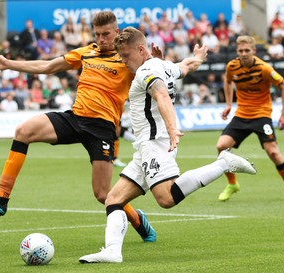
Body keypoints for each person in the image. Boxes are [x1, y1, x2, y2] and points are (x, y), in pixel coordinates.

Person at [0, 11, 160, 243]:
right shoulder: (87, 52)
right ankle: (1, 198)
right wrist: (8, 64)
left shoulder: (127, 59)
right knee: (23, 131)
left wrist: (157, 61)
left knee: (103, 194)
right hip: (75, 118)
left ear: (117, 32)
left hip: (101, 128)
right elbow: (48, 66)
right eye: (97, 34)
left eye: (106, 34)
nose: (101, 39)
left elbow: (156, 78)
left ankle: (138, 220)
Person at [78, 27, 256, 263]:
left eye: (126, 56)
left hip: (155, 143)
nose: (123, 61)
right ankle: (112, 251)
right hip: (144, 148)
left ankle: (223, 163)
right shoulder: (162, 65)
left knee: (166, 198)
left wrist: (172, 129)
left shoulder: (146, 71)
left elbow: (161, 95)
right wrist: (198, 58)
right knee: (114, 199)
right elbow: (185, 67)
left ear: (141, 49)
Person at [216, 35, 284, 202]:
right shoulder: (232, 66)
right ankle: (232, 184)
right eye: (241, 51)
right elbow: (227, 82)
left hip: (262, 115)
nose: (244, 53)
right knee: (221, 146)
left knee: (274, 152)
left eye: (247, 50)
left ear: (254, 51)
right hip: (241, 115)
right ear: (237, 52)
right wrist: (228, 104)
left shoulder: (264, 68)